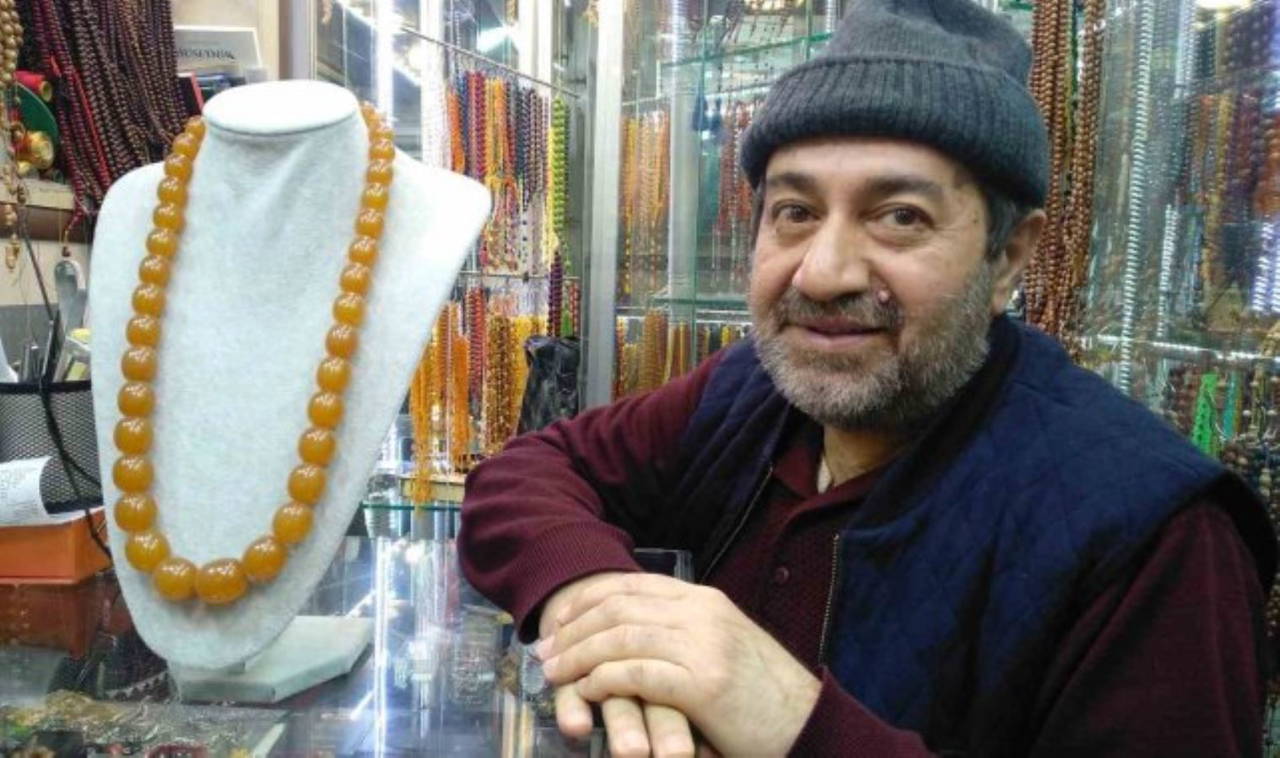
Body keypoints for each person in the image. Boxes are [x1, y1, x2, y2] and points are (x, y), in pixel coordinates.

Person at [460, 0, 1277, 755]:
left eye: (899, 217)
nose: (823, 273)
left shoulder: (1157, 539)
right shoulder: (751, 393)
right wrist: (592, 593)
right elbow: (524, 474)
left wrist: (794, 720)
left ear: (1007, 259)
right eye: (795, 212)